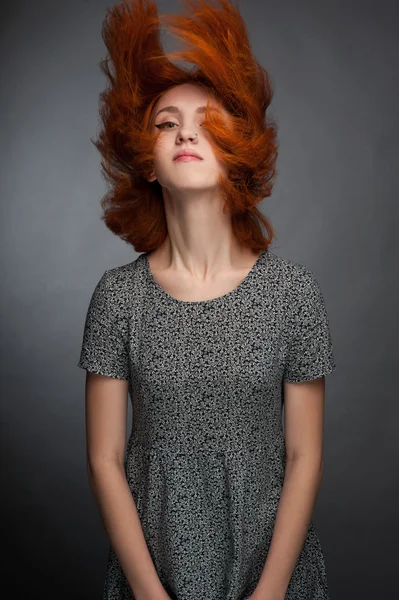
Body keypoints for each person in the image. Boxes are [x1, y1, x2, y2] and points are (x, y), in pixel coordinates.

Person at [77, 1, 337, 599]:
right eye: (166, 122)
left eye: (207, 119)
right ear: (146, 159)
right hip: (154, 578)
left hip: (274, 577)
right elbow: (104, 461)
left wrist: (270, 593)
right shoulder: (118, 299)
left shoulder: (294, 294)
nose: (187, 131)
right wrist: (150, 594)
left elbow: (304, 456)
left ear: (238, 148)